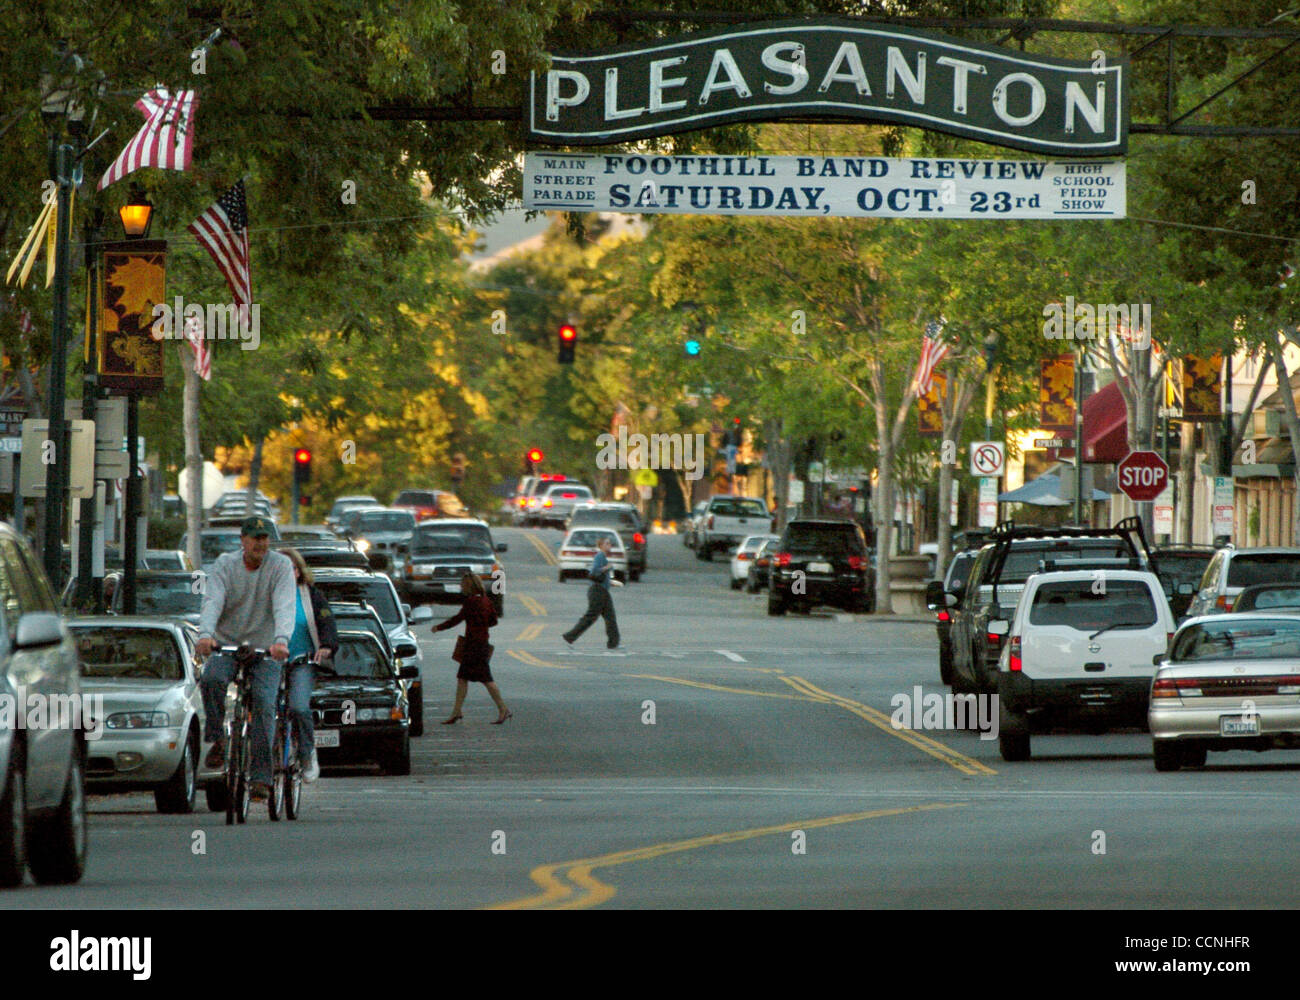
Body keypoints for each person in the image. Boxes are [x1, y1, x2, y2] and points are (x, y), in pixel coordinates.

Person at [197, 516, 296, 802]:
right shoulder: (225, 565)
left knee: (265, 705)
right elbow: (213, 600)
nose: (261, 544)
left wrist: (281, 640)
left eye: (265, 538)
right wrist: (205, 635)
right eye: (255, 538)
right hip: (229, 642)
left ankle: (261, 778)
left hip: (267, 648)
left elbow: (284, 605)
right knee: (212, 679)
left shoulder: (280, 566)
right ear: (243, 540)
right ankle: (217, 738)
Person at [282, 548, 339, 783]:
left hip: (301, 660)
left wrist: (326, 645)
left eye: (291, 569)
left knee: (298, 707)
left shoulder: (311, 595)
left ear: (299, 571)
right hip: (270, 661)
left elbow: (327, 622)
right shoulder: (264, 594)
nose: (287, 573)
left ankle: (307, 754)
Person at [433, 572, 510, 724]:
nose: (461, 587)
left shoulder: (471, 602)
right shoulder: (486, 600)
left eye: (463, 584)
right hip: (481, 643)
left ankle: (503, 709)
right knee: (463, 678)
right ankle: (457, 711)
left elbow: (457, 619)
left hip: (474, 645)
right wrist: (482, 625)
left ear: (468, 585)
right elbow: (494, 621)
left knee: (486, 679)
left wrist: (439, 627)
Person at [562, 535, 622, 650]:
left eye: (610, 543)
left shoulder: (603, 557)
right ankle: (569, 636)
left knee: (610, 617)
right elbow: (594, 571)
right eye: (607, 543)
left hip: (603, 591)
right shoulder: (599, 556)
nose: (609, 545)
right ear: (601, 546)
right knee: (591, 616)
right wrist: (606, 568)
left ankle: (613, 644)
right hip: (597, 591)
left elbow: (602, 576)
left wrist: (611, 583)